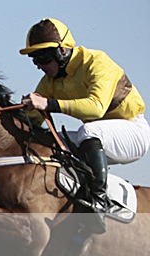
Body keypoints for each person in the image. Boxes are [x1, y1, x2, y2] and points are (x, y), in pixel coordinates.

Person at [19, 18, 150, 233]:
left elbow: (96, 108)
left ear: (62, 51)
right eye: (34, 58)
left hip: (133, 132)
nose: (38, 65)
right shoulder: (50, 81)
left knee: (88, 130)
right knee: (47, 142)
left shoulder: (97, 62)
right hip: (98, 137)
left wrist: (49, 104)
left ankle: (99, 202)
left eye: (42, 57)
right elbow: (32, 120)